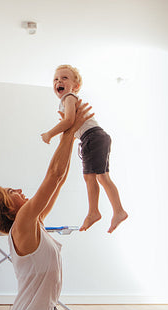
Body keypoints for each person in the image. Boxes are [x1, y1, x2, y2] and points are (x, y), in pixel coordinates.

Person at [0, 99, 93, 310]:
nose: (20, 189)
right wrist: (71, 128)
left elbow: (60, 179)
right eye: (12, 192)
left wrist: (71, 132)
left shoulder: (35, 223)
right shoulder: (22, 223)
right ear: (9, 209)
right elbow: (53, 175)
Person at [41, 65, 127, 233]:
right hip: (93, 138)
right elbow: (72, 128)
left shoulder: (69, 98)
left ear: (76, 86)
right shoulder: (67, 101)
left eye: (64, 78)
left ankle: (113, 211)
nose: (59, 81)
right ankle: (99, 211)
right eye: (55, 79)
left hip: (93, 137)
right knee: (95, 177)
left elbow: (69, 121)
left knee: (98, 177)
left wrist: (49, 133)